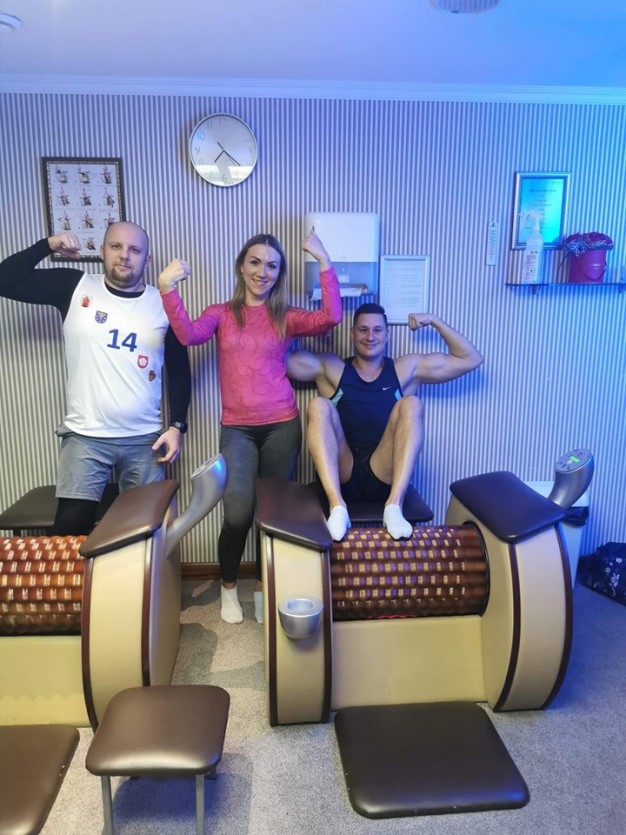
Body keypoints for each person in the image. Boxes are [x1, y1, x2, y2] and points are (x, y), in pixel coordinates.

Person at [158, 230, 342, 625]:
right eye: (255, 262)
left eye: (272, 266)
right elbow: (187, 334)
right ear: (241, 267)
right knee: (238, 513)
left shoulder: (285, 316)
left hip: (283, 426)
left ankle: (262, 586)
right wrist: (167, 288)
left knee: (271, 515)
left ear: (279, 273)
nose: (263, 272)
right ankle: (228, 588)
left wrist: (325, 261)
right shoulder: (221, 313)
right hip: (237, 429)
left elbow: (331, 317)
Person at [0, 222, 191, 535]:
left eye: (134, 250)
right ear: (102, 251)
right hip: (85, 436)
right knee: (70, 529)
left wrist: (177, 426)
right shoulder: (74, 286)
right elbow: (5, 280)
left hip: (144, 439)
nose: (124, 255)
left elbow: (180, 369)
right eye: (116, 246)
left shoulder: (163, 303)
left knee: (147, 531)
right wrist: (48, 245)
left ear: (147, 260)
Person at [286, 303, 483, 541]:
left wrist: (434, 320)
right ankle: (337, 508)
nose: (370, 337)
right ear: (352, 334)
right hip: (342, 473)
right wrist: (305, 323)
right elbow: (275, 358)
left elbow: (471, 359)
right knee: (319, 405)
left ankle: (394, 507)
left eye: (377, 330)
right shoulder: (332, 368)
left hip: (384, 474)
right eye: (363, 330)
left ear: (387, 335)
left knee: (411, 404)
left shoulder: (404, 370)